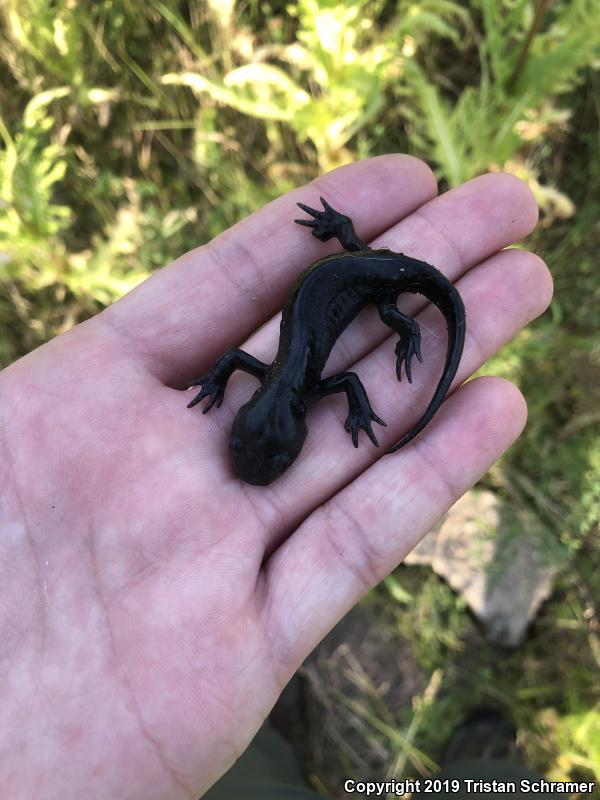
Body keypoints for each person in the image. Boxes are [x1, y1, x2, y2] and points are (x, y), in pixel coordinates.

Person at [0, 155, 552, 799]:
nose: (255, 453)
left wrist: (404, 327)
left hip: (372, 276)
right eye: (264, 449)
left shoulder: (301, 383)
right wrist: (234, 378)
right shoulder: (291, 383)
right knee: (373, 290)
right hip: (352, 267)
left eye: (258, 447)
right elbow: (267, 366)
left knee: (394, 301)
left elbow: (316, 374)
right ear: (270, 416)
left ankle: (395, 307)